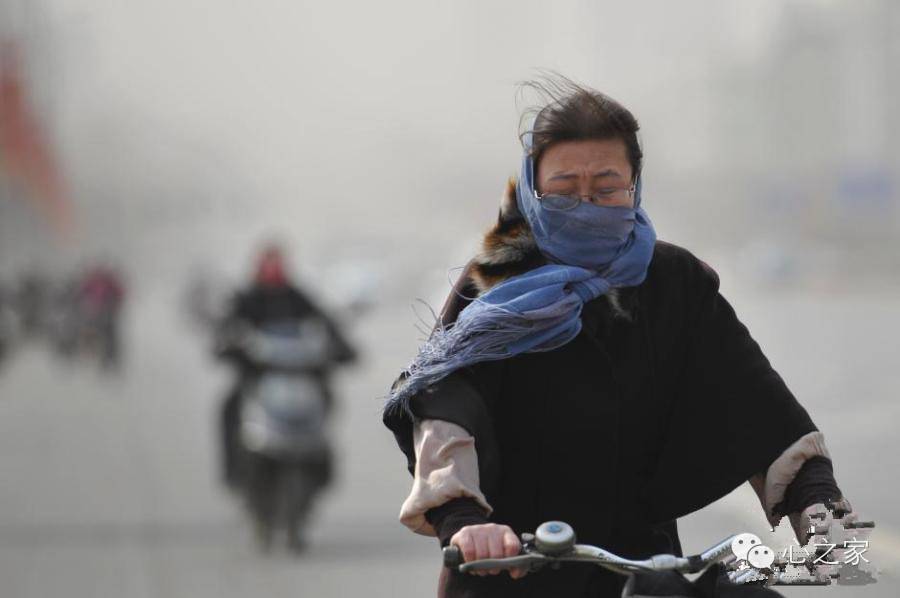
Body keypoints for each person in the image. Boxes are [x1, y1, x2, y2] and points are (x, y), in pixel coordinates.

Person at [383, 77, 854, 597]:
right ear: (533, 189)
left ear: (635, 184)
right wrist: (465, 520)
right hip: (507, 566)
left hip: (642, 571)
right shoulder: (494, 284)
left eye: (606, 189)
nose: (586, 205)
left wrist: (816, 504)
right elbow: (443, 404)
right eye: (564, 192)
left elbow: (753, 400)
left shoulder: (675, 282)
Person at [216, 244, 356, 487]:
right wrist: (230, 345)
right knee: (230, 407)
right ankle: (235, 473)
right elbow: (227, 330)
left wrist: (341, 347)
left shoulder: (296, 297)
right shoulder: (247, 299)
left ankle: (322, 469)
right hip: (259, 378)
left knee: (329, 399)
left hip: (301, 375)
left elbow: (326, 322)